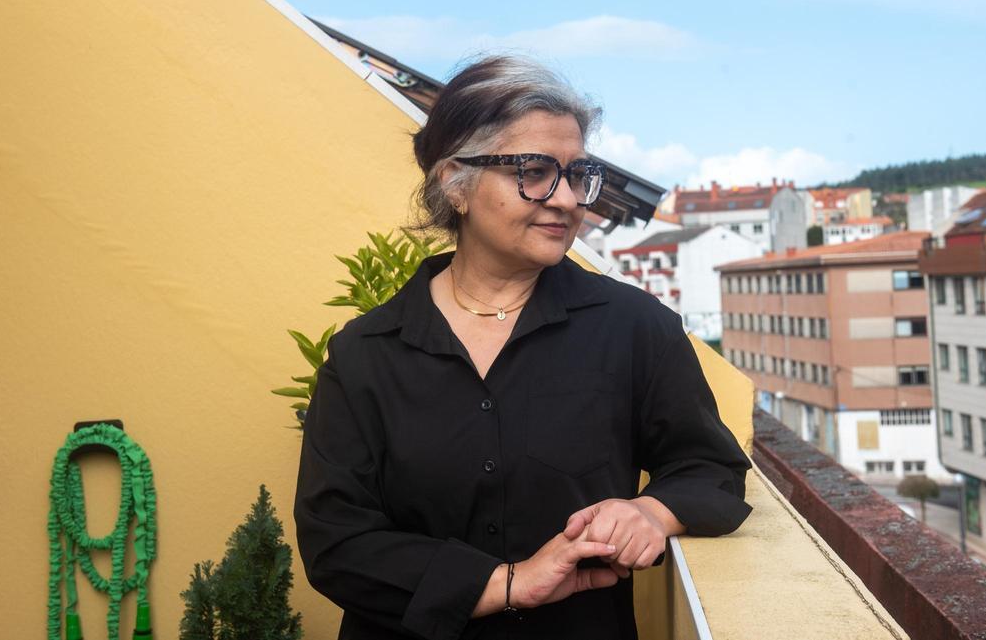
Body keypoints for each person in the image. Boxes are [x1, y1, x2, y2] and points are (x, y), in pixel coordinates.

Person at [294, 56, 751, 640]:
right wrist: (510, 582)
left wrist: (650, 512)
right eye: (533, 171)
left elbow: (710, 466)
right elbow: (337, 541)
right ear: (454, 184)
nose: (566, 200)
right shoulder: (367, 352)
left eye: (578, 173)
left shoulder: (634, 327)